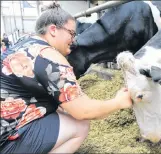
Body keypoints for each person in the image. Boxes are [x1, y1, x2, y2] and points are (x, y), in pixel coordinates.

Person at [0, 2, 133, 153]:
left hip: (6, 125)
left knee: (62, 111)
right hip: (7, 141)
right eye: (71, 33)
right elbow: (83, 111)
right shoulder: (48, 56)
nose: (74, 40)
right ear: (53, 30)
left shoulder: (23, 43)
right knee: (80, 125)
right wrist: (118, 102)